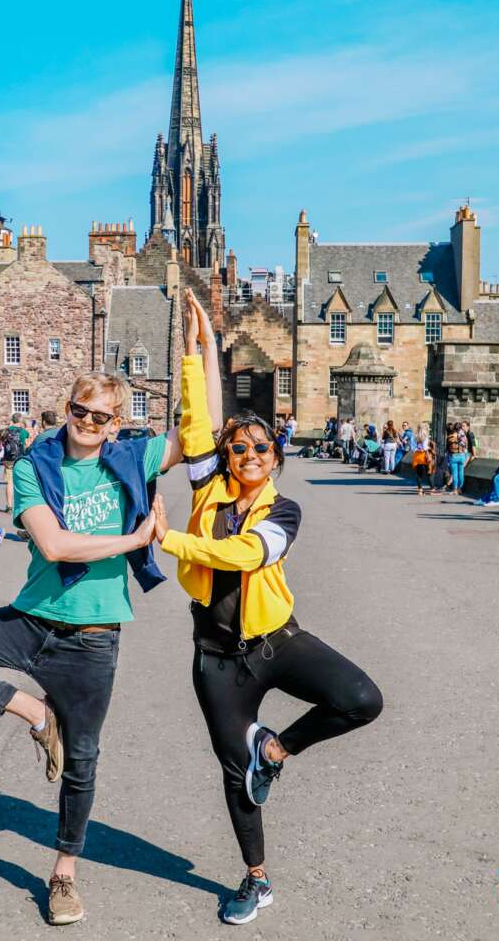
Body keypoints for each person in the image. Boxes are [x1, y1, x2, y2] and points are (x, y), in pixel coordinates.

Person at [0, 291, 206, 926]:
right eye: (80, 411)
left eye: (101, 417)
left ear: (118, 423)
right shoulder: (34, 465)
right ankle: (37, 713)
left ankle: (64, 871)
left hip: (93, 637)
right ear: (66, 409)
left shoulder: (133, 456)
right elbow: (54, 543)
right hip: (33, 618)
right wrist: (135, 539)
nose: (88, 423)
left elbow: (196, 432)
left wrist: (195, 356)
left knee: (85, 760)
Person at [152, 292, 383, 926]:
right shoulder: (207, 484)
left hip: (276, 641)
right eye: (239, 449)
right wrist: (195, 349)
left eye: (260, 449)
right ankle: (256, 878)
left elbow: (245, 556)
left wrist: (166, 539)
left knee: (361, 699)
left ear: (275, 458)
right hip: (216, 659)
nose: (248, 455)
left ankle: (275, 751)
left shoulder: (284, 511)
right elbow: (198, 418)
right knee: (233, 772)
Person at [1, 415, 28, 513]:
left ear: (12, 420)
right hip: (20, 459)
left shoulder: (6, 430)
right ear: (20, 421)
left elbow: (1, 441)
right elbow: (27, 441)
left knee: (9, 483)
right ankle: (22, 505)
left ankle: (9, 506)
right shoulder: (23, 431)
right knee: (21, 482)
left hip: (9, 459)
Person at [446, 422, 468, 495]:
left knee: (454, 474)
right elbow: (465, 446)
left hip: (453, 456)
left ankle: (455, 490)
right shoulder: (463, 435)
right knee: (461, 473)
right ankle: (460, 489)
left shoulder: (450, 436)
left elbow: (447, 448)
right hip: (461, 455)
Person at [411, 423, 431, 495]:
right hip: (423, 455)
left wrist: (417, 449)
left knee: (418, 474)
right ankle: (432, 487)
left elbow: (412, 448)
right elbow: (425, 447)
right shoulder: (425, 436)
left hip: (416, 455)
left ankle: (420, 489)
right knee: (428, 471)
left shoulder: (414, 436)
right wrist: (428, 449)